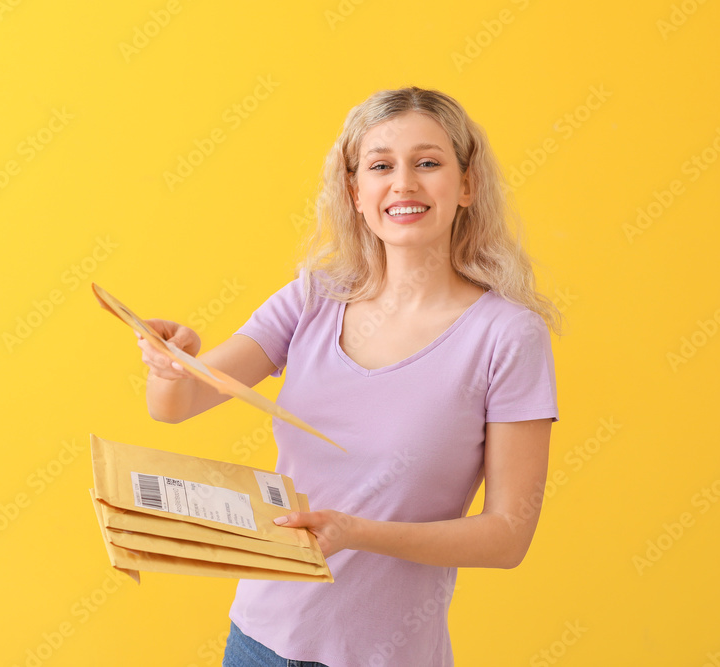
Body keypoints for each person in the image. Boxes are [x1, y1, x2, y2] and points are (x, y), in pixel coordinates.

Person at [136, 86, 560, 667]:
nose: (404, 184)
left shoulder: (508, 337)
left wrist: (356, 532)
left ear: (466, 185)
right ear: (355, 191)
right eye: (380, 165)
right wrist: (170, 361)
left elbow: (508, 536)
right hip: (257, 642)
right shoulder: (313, 298)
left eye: (428, 163)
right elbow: (175, 405)